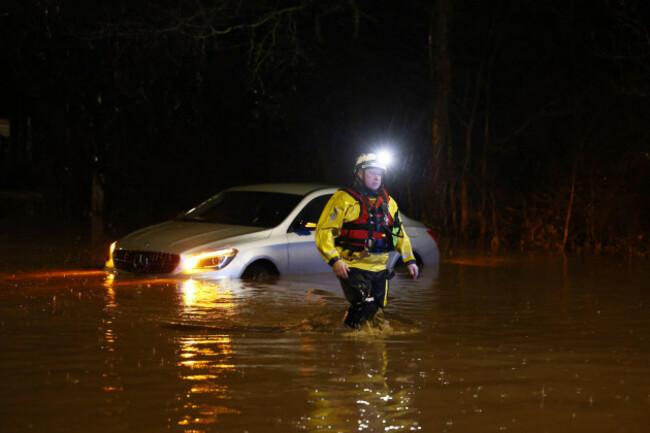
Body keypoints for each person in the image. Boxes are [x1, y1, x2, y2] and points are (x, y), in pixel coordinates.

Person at [315, 153, 419, 329]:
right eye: (372, 172)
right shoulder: (344, 199)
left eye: (380, 173)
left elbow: (397, 233)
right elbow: (324, 230)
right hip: (352, 266)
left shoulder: (389, 203)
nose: (377, 177)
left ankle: (355, 340)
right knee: (366, 303)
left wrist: (409, 259)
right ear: (360, 174)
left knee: (374, 313)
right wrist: (334, 260)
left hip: (380, 269)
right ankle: (343, 335)